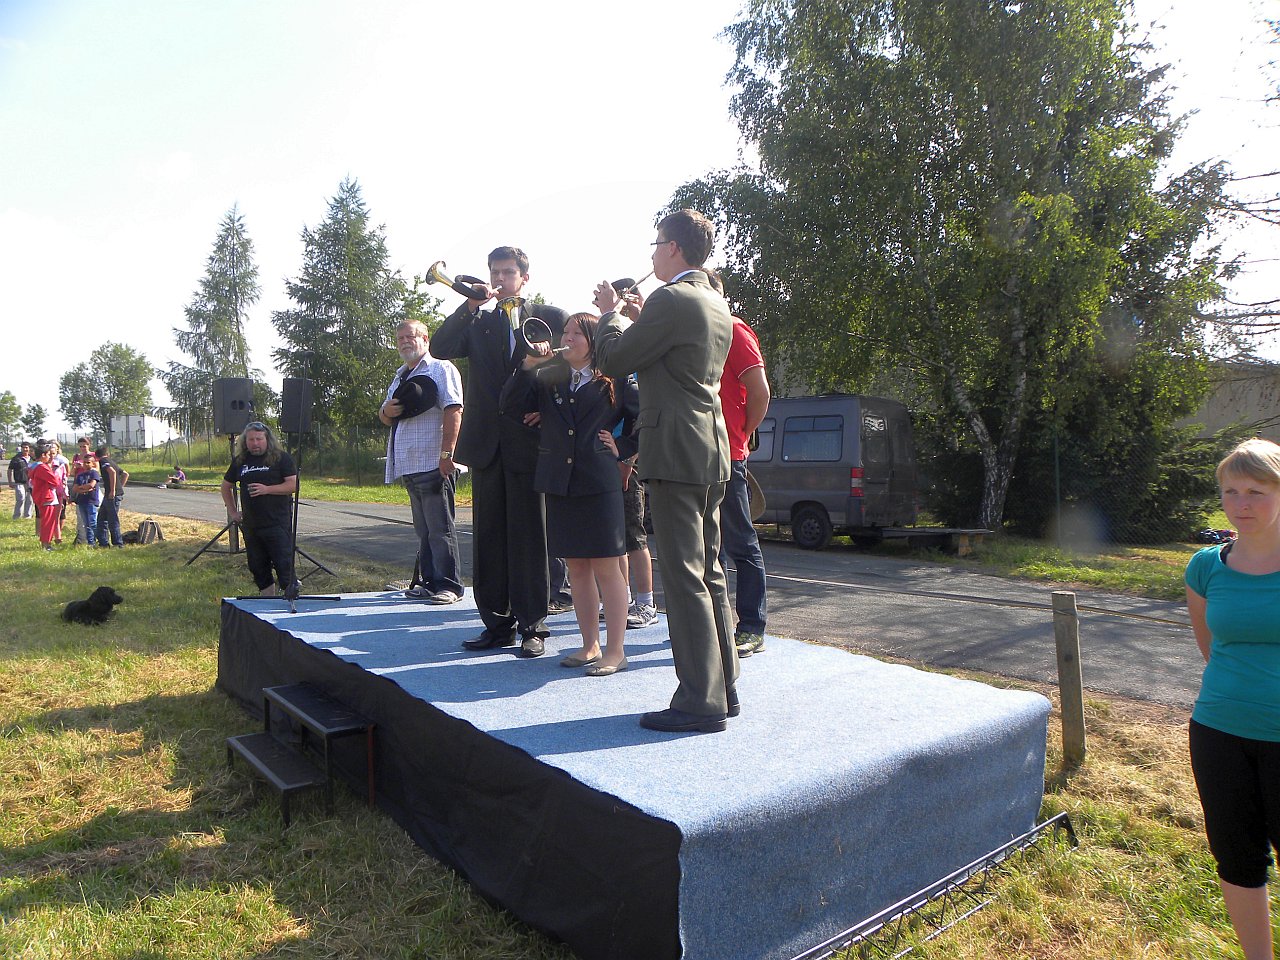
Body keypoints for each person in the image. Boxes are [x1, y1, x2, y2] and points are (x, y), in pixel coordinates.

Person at [594, 208, 737, 733]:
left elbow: (613, 359)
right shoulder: (714, 300)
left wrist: (610, 315)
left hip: (676, 451)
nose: (653, 253)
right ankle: (724, 687)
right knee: (709, 572)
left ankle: (700, 700)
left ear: (674, 248)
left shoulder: (671, 298)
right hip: (709, 449)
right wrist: (638, 319)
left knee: (683, 577)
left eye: (657, 243)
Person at [431, 246, 568, 658]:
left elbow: (575, 369)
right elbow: (440, 347)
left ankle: (533, 625)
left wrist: (549, 411)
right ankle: (496, 624)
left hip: (531, 443)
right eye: (495, 272)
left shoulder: (550, 319)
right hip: (487, 445)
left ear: (524, 277)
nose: (500, 279)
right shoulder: (479, 322)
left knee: (530, 538)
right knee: (489, 539)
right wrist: (468, 306)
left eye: (508, 272)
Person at [1186, 437, 1280, 960]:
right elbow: (1211, 648)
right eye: (1231, 492)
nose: (1242, 504)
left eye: (1257, 492)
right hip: (1219, 733)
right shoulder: (1206, 567)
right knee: (1238, 858)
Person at [510, 312, 639, 676]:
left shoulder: (615, 377)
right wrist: (528, 364)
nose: (566, 338)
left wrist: (622, 447)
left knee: (607, 567)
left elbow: (644, 418)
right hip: (560, 482)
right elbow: (512, 404)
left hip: (598, 482)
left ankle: (615, 651)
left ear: (593, 341)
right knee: (577, 568)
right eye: (564, 331)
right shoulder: (550, 374)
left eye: (575, 333)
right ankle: (589, 645)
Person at [707, 271, 771, 657]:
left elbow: (761, 392)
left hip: (728, 455)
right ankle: (713, 624)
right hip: (698, 456)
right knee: (706, 547)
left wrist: (741, 436)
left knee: (740, 543)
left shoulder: (734, 330)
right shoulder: (695, 334)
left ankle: (751, 626)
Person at [379, 318, 465, 604]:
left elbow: (454, 410)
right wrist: (387, 411)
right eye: (400, 338)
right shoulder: (400, 377)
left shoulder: (441, 369)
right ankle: (429, 583)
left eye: (411, 336)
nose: (405, 342)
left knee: (440, 529)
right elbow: (384, 417)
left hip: (433, 461)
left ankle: (450, 586)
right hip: (409, 464)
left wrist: (447, 455)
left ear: (425, 340)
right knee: (424, 530)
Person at [220, 421, 298, 597]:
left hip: (277, 523)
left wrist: (267, 489)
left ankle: (292, 600)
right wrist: (233, 512)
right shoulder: (240, 461)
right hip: (251, 525)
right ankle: (267, 601)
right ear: (245, 442)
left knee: (284, 564)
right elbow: (226, 487)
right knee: (257, 567)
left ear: (267, 439)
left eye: (259, 439)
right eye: (251, 440)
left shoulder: (281, 458)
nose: (255, 443)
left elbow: (293, 485)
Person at [28, 443, 63, 550]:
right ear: (43, 455)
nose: (50, 457)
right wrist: (57, 474)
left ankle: (47, 542)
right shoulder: (42, 467)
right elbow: (55, 481)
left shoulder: (36, 466)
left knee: (50, 520)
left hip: (46, 496)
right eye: (48, 454)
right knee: (47, 521)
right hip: (46, 497)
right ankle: (46, 544)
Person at [95, 444, 129, 548]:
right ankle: (103, 542)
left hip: (111, 495)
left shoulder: (103, 462)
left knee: (112, 519)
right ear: (108, 454)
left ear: (97, 457)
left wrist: (113, 490)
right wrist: (120, 486)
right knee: (101, 518)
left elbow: (112, 472)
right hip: (111, 495)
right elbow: (125, 474)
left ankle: (118, 543)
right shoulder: (112, 462)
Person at [72, 453, 101, 547]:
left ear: (93, 463)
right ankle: (91, 542)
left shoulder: (94, 473)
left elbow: (91, 485)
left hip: (91, 501)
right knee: (86, 524)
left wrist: (82, 488)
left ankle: (100, 541)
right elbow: (75, 488)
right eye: (84, 462)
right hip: (81, 501)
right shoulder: (80, 475)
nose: (86, 464)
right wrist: (84, 489)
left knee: (93, 523)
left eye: (88, 462)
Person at [8, 441, 32, 520]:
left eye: (26, 448)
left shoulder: (32, 458)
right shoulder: (16, 458)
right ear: (21, 448)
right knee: (20, 498)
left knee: (29, 500)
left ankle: (27, 516)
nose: (25, 449)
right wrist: (10, 481)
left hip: (30, 482)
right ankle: (16, 516)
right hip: (19, 482)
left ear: (29, 448)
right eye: (23, 448)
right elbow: (9, 470)